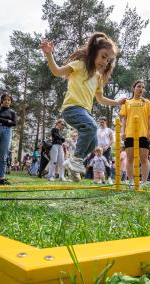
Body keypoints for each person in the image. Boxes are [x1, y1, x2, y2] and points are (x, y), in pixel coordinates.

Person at [40, 32, 125, 182]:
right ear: (94, 52)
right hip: (71, 108)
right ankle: (76, 161)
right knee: (92, 126)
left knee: (93, 143)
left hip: (84, 112)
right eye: (103, 56)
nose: (105, 62)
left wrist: (117, 102)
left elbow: (100, 99)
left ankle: (72, 165)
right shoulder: (79, 65)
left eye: (108, 60)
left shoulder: (98, 78)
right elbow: (57, 71)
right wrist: (49, 54)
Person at [120, 79, 150, 187]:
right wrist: (122, 132)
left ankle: (144, 182)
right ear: (134, 88)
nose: (141, 89)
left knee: (144, 158)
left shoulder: (147, 102)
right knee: (130, 158)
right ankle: (130, 181)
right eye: (139, 86)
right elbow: (124, 119)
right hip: (130, 133)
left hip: (143, 133)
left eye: (143, 87)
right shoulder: (127, 102)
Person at [97, 117, 114, 184]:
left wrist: (107, 146)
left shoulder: (109, 130)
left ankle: (109, 178)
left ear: (106, 122)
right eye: (100, 122)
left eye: (102, 122)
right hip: (99, 149)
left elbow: (112, 140)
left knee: (106, 162)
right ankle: (101, 179)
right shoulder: (97, 130)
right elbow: (96, 140)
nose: (101, 123)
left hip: (106, 148)